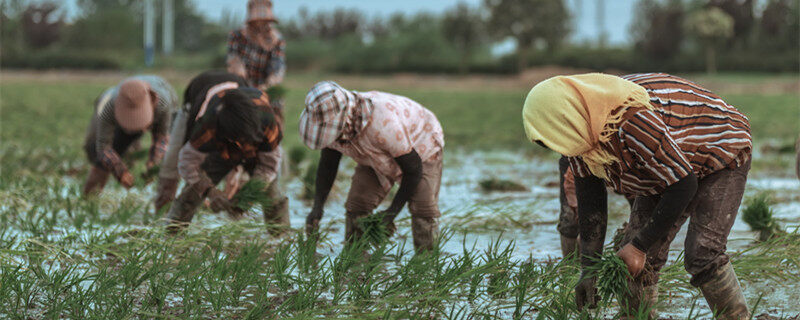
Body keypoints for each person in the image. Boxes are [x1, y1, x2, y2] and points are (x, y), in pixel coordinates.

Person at [522, 73, 752, 319]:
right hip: (668, 168)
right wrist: (589, 269)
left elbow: (684, 184)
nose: (562, 149)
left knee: (702, 251)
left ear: (567, 119)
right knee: (632, 255)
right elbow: (592, 205)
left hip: (720, 151)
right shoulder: (580, 138)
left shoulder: (629, 120)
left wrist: (640, 247)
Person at [301, 81, 445, 251]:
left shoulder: (384, 124)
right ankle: (355, 260)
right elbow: (328, 165)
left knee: (423, 208)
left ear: (345, 119)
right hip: (372, 153)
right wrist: (317, 207)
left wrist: (391, 213)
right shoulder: (333, 126)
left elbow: (413, 170)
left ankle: (426, 263)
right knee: (357, 204)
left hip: (421, 144)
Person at [154, 71, 288, 233]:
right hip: (221, 150)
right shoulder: (209, 125)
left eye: (243, 141)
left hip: (256, 149)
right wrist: (210, 191)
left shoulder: (267, 120)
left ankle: (281, 238)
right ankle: (171, 236)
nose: (240, 145)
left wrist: (251, 191)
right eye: (236, 141)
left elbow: (269, 165)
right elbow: (188, 164)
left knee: (271, 193)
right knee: (191, 194)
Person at [83, 75, 177, 196]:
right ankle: (89, 199)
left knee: (171, 159)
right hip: (119, 121)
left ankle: (168, 203)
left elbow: (162, 139)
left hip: (163, 110)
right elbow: (103, 147)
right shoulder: (110, 107)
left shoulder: (163, 103)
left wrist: (154, 164)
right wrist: (119, 170)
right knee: (99, 159)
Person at [226, 0, 285, 93]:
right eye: (258, 20)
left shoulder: (277, 40)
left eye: (265, 20)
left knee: (274, 101)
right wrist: (242, 77)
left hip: (264, 85)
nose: (261, 24)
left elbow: (277, 67)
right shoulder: (237, 35)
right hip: (241, 82)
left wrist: (269, 85)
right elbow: (234, 59)